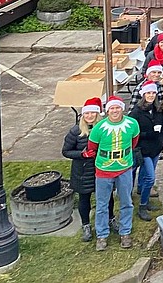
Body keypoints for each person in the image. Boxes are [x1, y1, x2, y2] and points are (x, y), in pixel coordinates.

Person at [85, 95, 140, 251]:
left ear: (122, 108)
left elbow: (134, 142)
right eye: (112, 108)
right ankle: (102, 235)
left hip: (124, 169)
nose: (115, 111)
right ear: (107, 110)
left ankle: (125, 232)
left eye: (117, 108)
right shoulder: (98, 128)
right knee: (102, 205)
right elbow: (92, 147)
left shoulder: (132, 124)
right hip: (104, 171)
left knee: (126, 202)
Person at [62, 96, 102, 242]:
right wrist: (82, 154)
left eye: (92, 113)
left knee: (106, 197)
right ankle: (86, 225)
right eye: (87, 113)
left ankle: (109, 219)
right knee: (84, 199)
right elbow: (66, 151)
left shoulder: (103, 127)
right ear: (83, 115)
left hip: (101, 170)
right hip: (83, 172)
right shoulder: (75, 131)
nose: (89, 116)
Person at [130, 81, 163, 222]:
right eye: (148, 93)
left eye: (153, 93)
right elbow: (133, 133)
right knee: (150, 177)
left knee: (145, 178)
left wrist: (161, 142)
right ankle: (142, 207)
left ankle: (145, 200)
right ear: (143, 94)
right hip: (144, 150)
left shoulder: (158, 109)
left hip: (155, 149)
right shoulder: (136, 113)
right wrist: (149, 133)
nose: (151, 95)